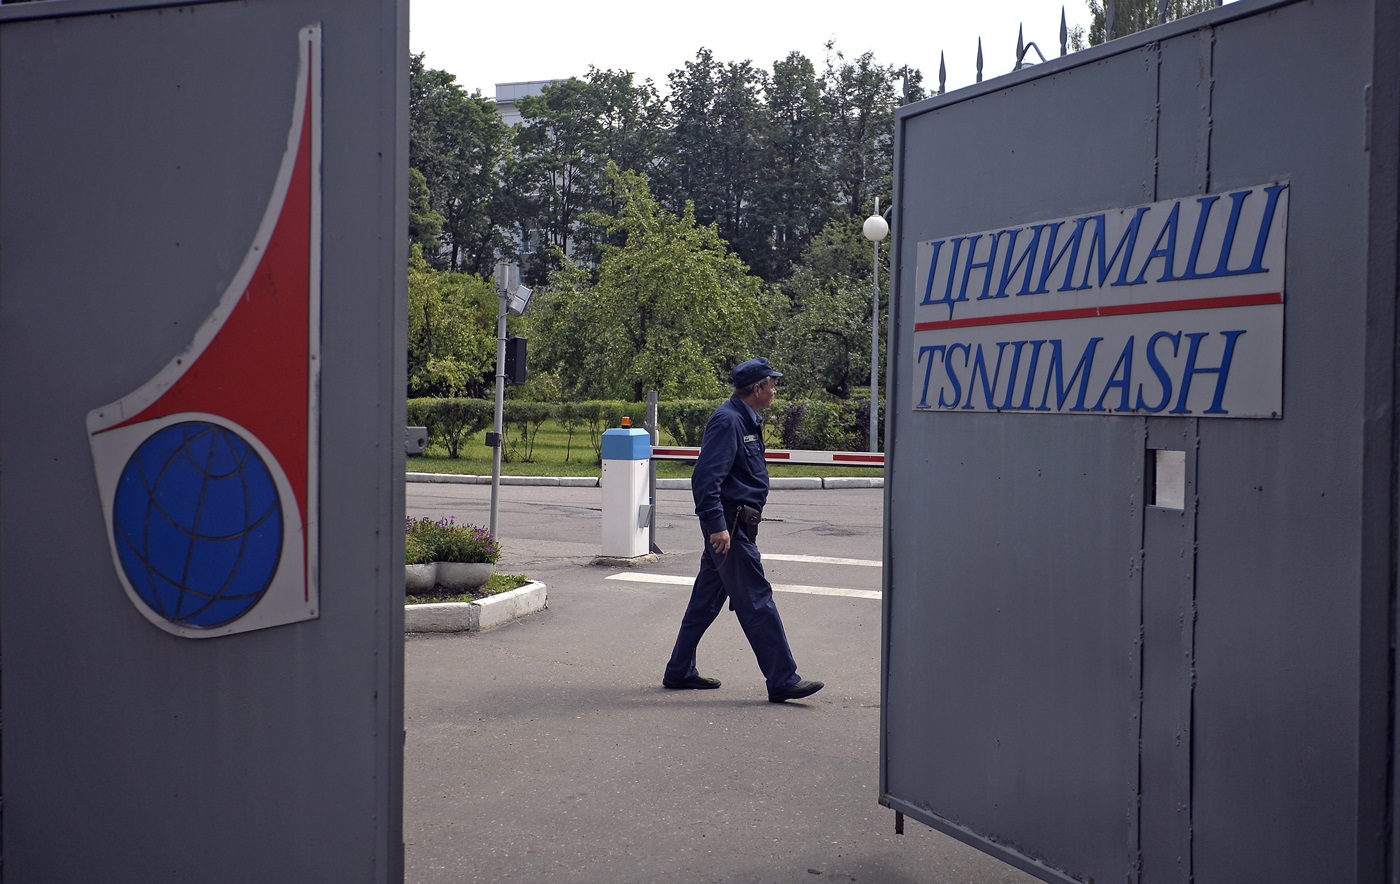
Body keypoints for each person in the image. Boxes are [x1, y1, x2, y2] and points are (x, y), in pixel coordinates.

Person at [662, 357, 825, 703]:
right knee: (757, 600)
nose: (775, 390)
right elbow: (705, 478)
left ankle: (679, 670)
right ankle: (783, 679)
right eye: (772, 384)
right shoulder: (729, 421)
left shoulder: (745, 419)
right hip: (730, 529)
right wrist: (717, 526)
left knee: (705, 603)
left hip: (736, 525)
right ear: (757, 388)